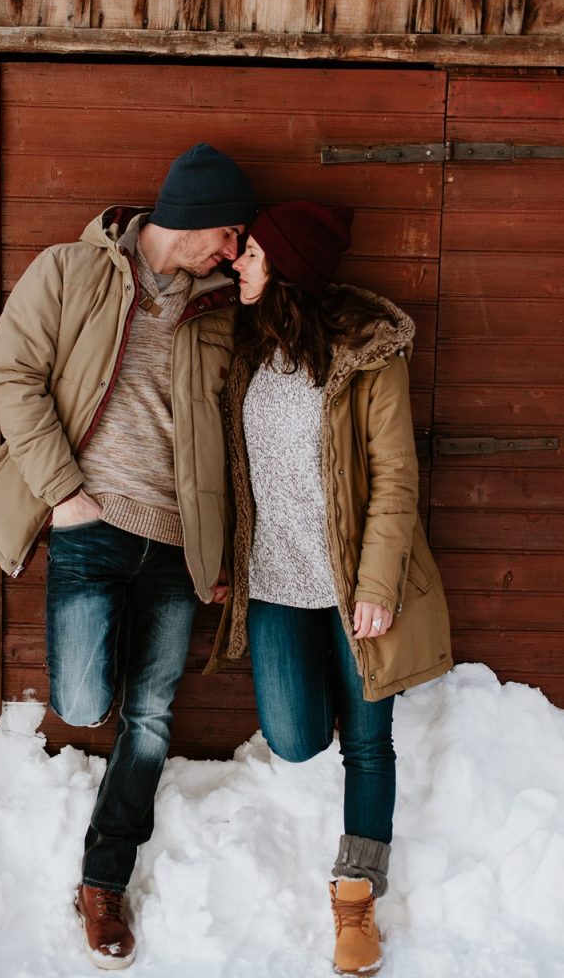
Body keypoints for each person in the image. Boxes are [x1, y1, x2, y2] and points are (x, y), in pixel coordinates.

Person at [0, 143, 257, 970]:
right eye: (229, 234)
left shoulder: (221, 311)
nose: (233, 250)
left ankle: (103, 881)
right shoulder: (70, 270)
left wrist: (217, 551)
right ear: (194, 216)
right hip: (89, 524)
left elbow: (233, 438)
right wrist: (63, 494)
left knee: (151, 717)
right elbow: (8, 378)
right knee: (86, 703)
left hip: (177, 544)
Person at [215, 201, 452, 976]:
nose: (237, 262)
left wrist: (378, 583)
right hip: (276, 583)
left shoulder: (369, 357)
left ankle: (357, 898)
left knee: (369, 744)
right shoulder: (244, 348)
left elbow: (395, 477)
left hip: (357, 589)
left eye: (251, 253)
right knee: (294, 738)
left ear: (286, 266)